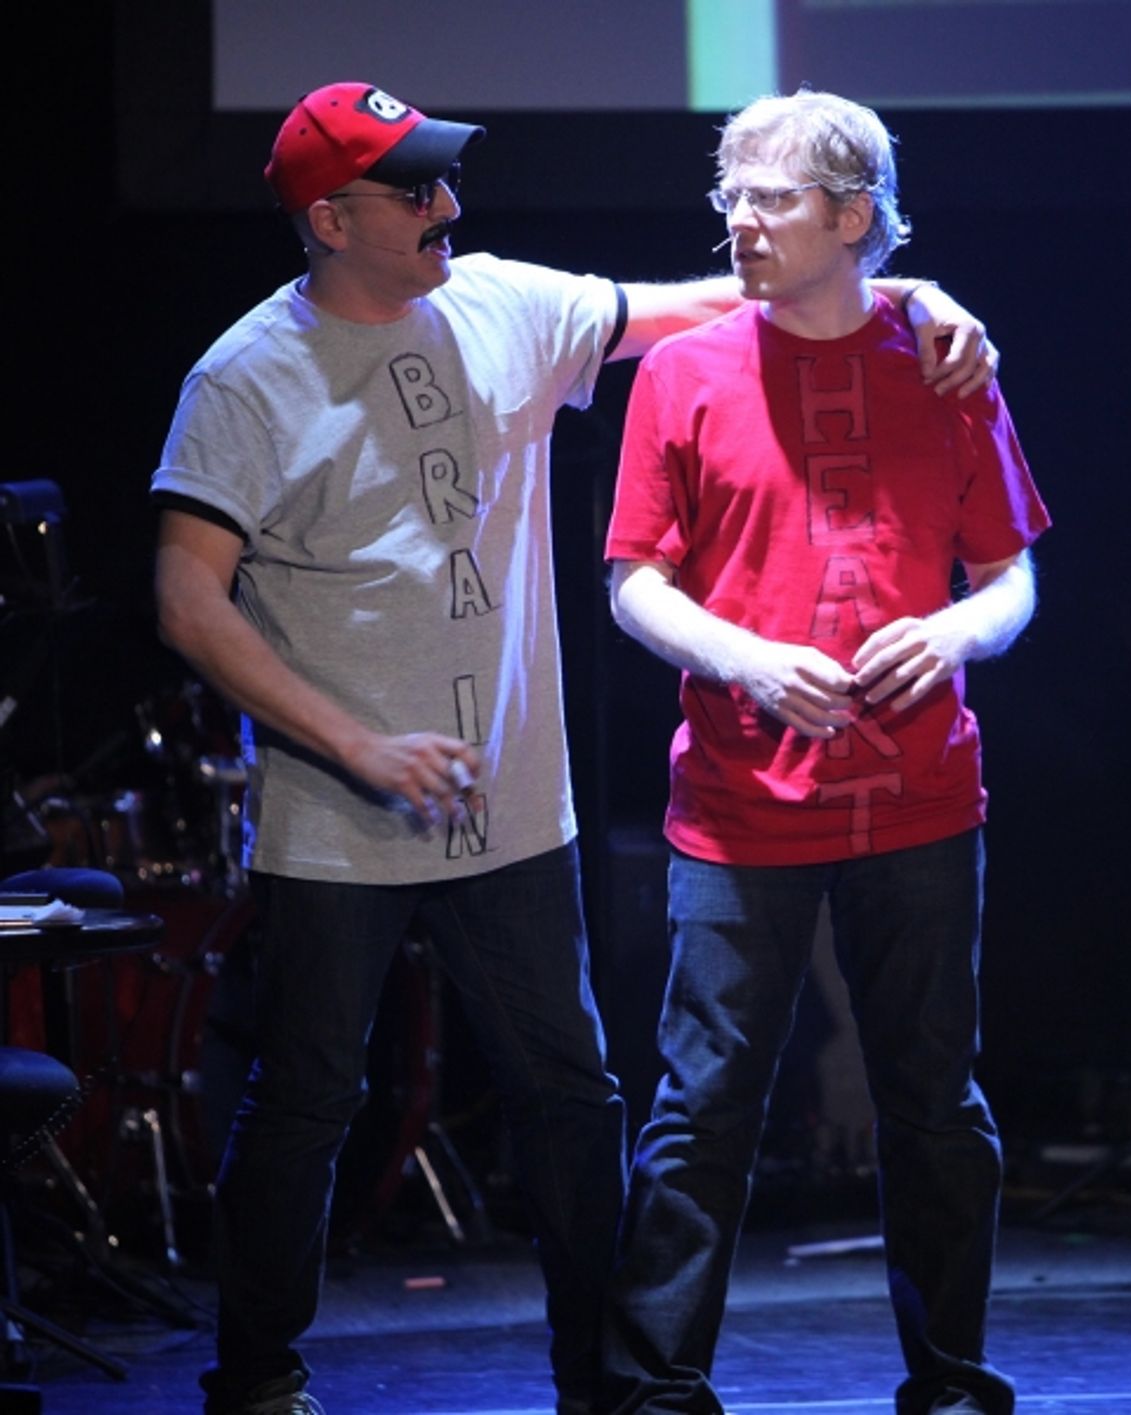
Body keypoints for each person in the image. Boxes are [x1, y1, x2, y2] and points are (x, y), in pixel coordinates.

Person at [150, 81, 998, 1415]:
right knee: (309, 1097)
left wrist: (921, 291)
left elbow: (750, 296)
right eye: (412, 189)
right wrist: (360, 748)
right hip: (336, 818)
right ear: (328, 218)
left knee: (574, 1097)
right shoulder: (246, 376)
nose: (448, 207)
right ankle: (257, 1375)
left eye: (443, 179)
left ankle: (597, 1383)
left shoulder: (503, 302)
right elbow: (188, 600)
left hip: (510, 811)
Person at [601, 88, 1050, 1415]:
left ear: (854, 216)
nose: (741, 222)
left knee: (934, 1105)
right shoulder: (685, 371)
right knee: (700, 1110)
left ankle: (954, 1379)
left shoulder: (943, 359)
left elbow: (1014, 575)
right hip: (738, 804)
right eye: (728, 197)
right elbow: (633, 578)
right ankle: (658, 1386)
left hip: (920, 794)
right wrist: (739, 657)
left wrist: (955, 632)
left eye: (771, 198)